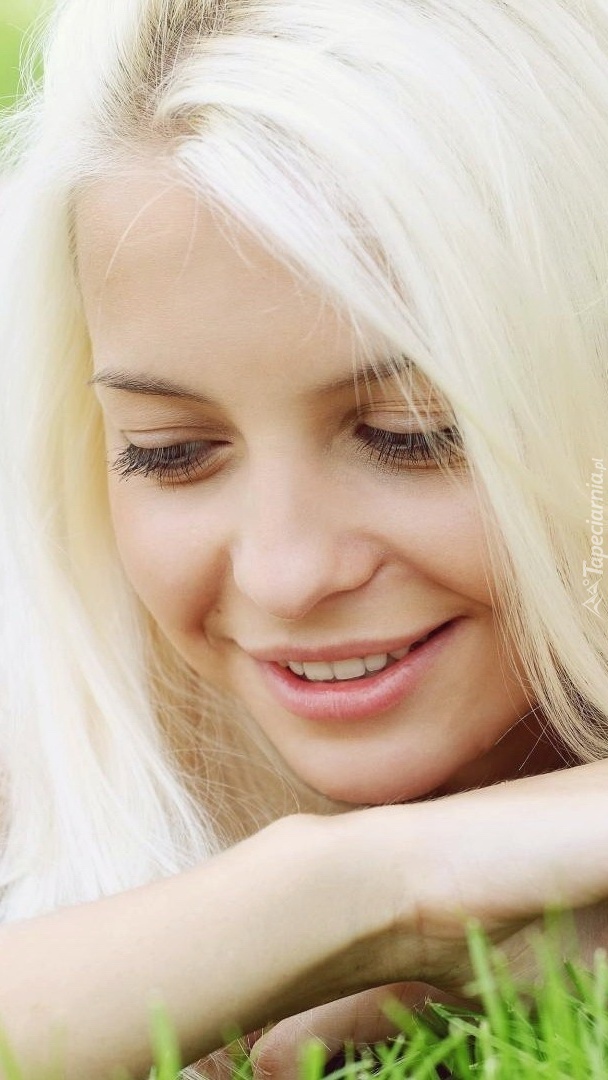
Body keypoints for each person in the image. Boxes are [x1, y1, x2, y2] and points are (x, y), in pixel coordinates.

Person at [1, 0, 608, 1077]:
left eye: (413, 434)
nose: (284, 575)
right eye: (170, 453)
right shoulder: (49, 706)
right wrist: (361, 890)